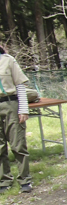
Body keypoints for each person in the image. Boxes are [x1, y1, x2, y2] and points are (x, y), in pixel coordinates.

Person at [0, 45, 32, 193]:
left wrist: (23, 109)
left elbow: (20, 85)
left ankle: (25, 180)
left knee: (18, 145)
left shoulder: (8, 60)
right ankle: (4, 181)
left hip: (10, 104)